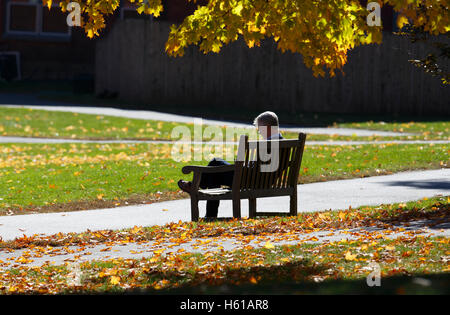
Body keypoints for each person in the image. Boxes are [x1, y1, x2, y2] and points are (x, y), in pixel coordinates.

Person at [177, 111, 283, 218]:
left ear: (267, 127)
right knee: (215, 174)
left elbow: (258, 169)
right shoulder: (283, 142)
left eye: (260, 128)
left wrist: (242, 166)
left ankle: (198, 189)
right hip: (261, 181)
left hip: (249, 181)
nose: (259, 132)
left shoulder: (268, 144)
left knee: (215, 162)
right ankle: (208, 212)